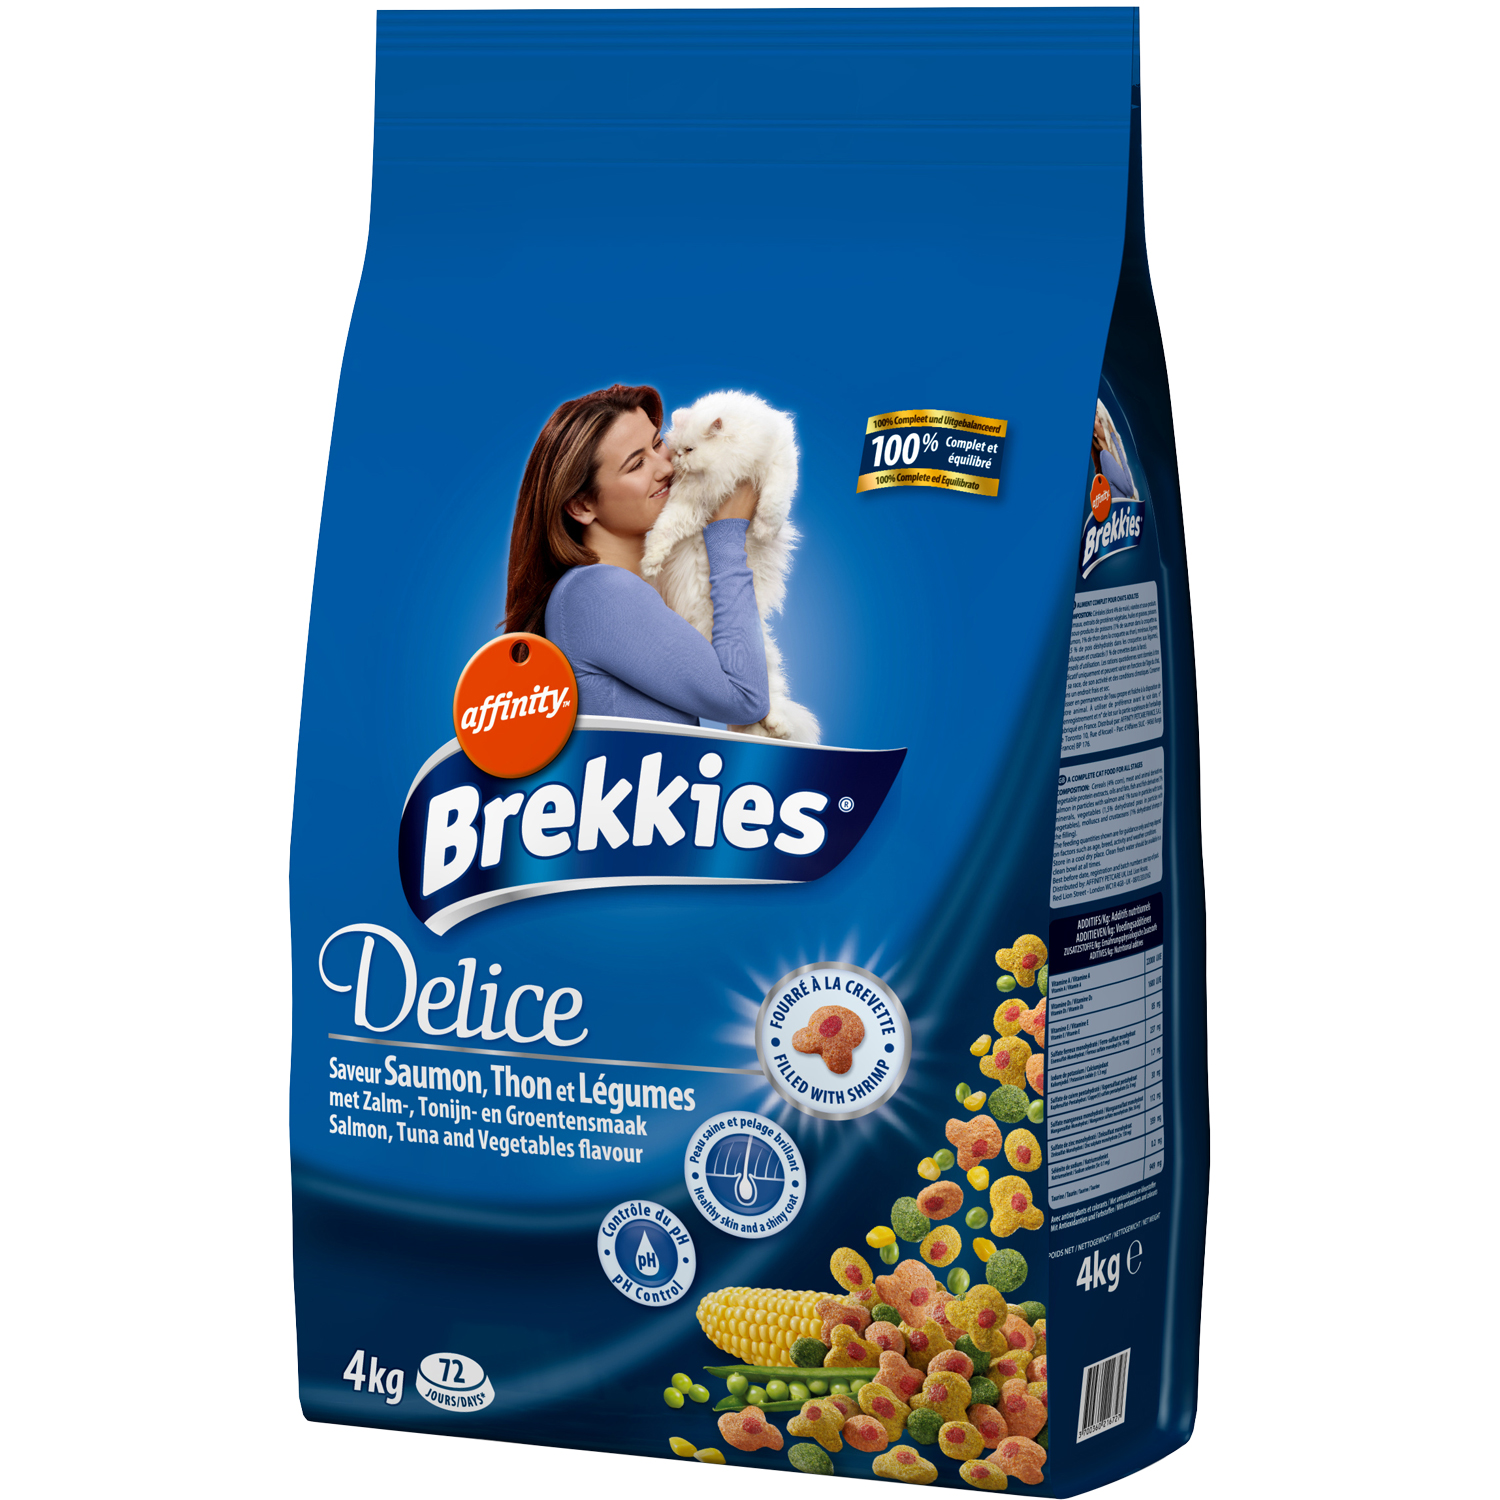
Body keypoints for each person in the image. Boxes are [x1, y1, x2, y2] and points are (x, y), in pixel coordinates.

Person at [504, 384, 770, 727]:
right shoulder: (599, 591)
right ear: (582, 506)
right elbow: (745, 698)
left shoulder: (613, 591)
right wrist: (727, 529)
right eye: (637, 464)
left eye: (658, 444)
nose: (666, 467)